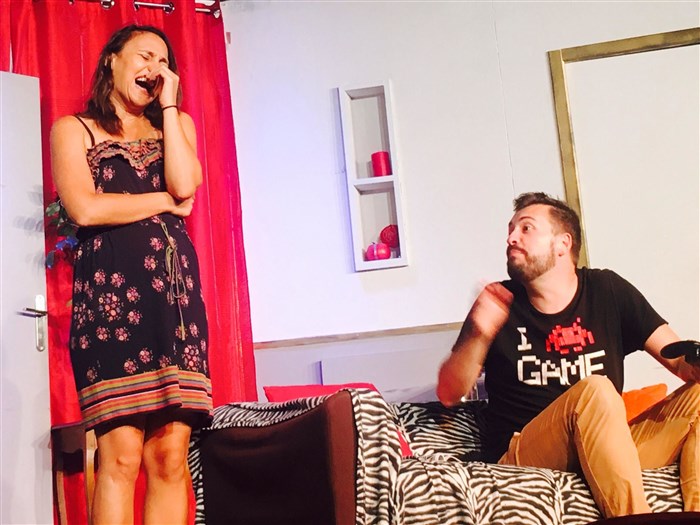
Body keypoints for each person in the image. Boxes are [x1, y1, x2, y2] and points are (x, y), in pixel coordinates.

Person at [437, 192, 700, 518]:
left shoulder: (607, 290)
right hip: (525, 456)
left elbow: (679, 361)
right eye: (510, 229)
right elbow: (448, 393)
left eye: (526, 228)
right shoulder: (498, 301)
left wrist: (695, 363)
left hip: (602, 444)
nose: (511, 238)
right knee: (596, 390)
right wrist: (479, 334)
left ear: (563, 243)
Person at [50, 25, 212, 524]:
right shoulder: (73, 129)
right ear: (111, 61)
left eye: (164, 63)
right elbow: (85, 208)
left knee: (170, 457)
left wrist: (169, 108)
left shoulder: (175, 124)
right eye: (144, 57)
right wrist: (164, 201)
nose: (154, 70)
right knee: (119, 457)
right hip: (110, 304)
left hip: (176, 304)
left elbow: (186, 183)